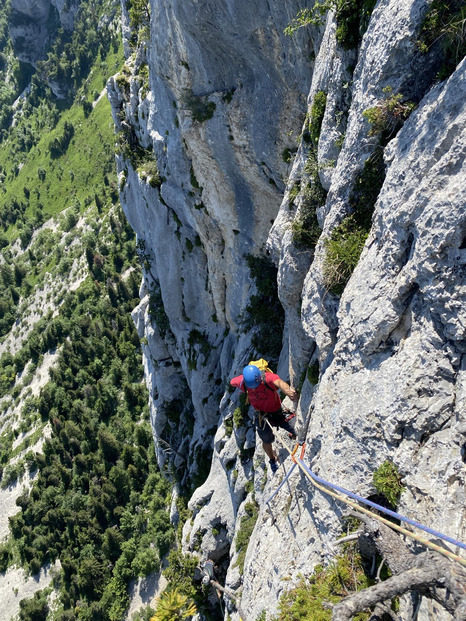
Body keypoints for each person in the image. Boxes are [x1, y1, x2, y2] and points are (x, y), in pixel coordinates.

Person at [230, 364, 299, 473]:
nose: (255, 388)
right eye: (252, 386)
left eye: (256, 385)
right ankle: (272, 460)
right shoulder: (243, 383)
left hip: (278, 412)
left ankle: (294, 434)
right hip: (262, 416)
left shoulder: (267, 378)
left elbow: (280, 382)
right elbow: (232, 381)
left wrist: (287, 391)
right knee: (266, 440)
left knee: (299, 429)